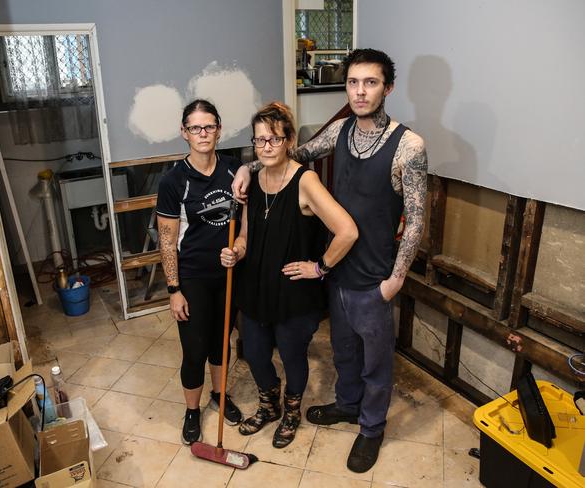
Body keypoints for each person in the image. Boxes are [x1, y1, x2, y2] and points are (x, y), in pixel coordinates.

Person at [232, 49, 428, 472]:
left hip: (375, 276)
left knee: (376, 364)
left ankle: (371, 429)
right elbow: (290, 153)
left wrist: (396, 279)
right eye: (354, 82)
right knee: (344, 354)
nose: (360, 91)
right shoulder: (339, 130)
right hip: (336, 273)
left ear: (387, 87)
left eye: (370, 82)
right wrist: (247, 168)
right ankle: (348, 405)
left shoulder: (408, 146)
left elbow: (416, 221)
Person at [221, 102, 357, 448]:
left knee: (292, 355)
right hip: (256, 286)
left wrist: (320, 267)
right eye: (259, 140)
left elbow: (347, 231)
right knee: (253, 351)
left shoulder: (305, 180)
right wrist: (235, 251)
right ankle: (270, 405)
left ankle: (292, 412)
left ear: (290, 139)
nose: (266, 147)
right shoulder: (253, 180)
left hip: (294, 293)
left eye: (274, 140)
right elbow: (246, 236)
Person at [156, 99, 243, 445]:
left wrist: (238, 250)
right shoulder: (174, 181)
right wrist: (173, 289)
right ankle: (192, 411)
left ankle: (220, 396)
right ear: (184, 133)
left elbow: (246, 220)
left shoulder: (236, 170)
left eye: (209, 126)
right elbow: (166, 240)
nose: (203, 133)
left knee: (222, 344)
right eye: (195, 128)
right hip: (191, 278)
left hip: (228, 275)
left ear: (219, 129)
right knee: (194, 349)